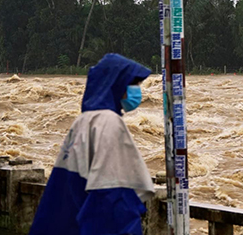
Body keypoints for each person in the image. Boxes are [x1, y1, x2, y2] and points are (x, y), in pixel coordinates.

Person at [29, 53, 156, 235]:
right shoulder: (108, 122)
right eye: (133, 84)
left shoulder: (83, 121)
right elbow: (111, 195)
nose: (137, 90)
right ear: (117, 84)